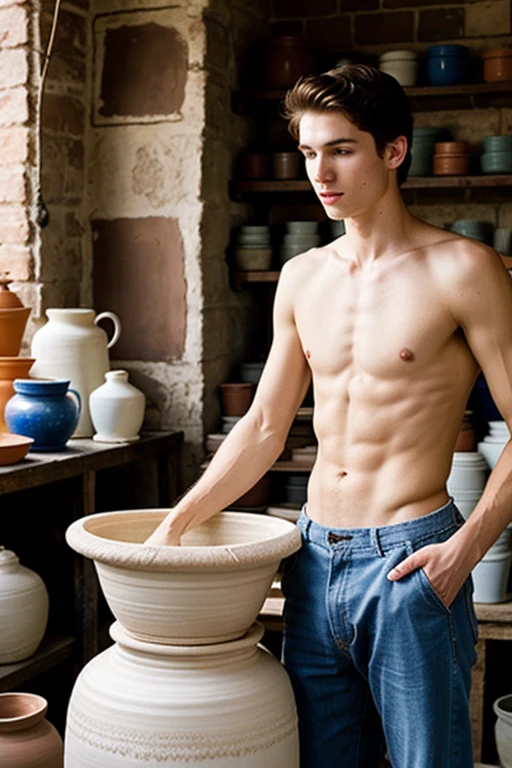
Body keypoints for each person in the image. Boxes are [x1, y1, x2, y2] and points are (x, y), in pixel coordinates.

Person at [145, 64, 512, 767]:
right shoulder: (303, 276)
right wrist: (175, 523)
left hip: (412, 562)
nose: (321, 171)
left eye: (342, 149)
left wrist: (461, 555)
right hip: (311, 560)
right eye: (310, 152)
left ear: (394, 151)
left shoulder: (463, 269)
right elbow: (261, 429)